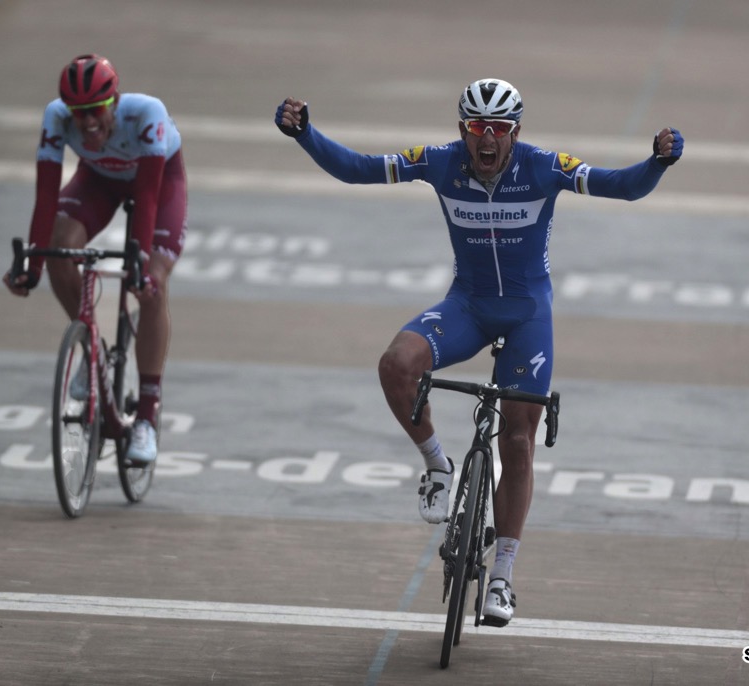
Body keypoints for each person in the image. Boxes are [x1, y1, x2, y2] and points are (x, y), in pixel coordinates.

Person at [275, 79, 683, 626]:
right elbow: (356, 168)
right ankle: (438, 466)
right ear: (461, 130)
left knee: (517, 442)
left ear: (516, 133)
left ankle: (502, 576)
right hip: (466, 306)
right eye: (475, 129)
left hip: (526, 315)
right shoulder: (441, 163)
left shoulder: (543, 167)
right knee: (397, 364)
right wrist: (305, 134)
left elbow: (621, 186)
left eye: (498, 130)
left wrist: (656, 162)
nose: (485, 140)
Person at [3, 53, 188, 464]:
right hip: (97, 182)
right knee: (59, 249)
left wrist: (138, 265)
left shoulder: (146, 113)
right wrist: (31, 267)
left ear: (114, 101)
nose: (87, 122)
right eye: (78, 112)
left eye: (95, 111)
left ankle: (145, 414)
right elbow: (47, 197)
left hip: (157, 184)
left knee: (152, 287)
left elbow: (150, 198)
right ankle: (92, 350)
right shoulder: (56, 118)